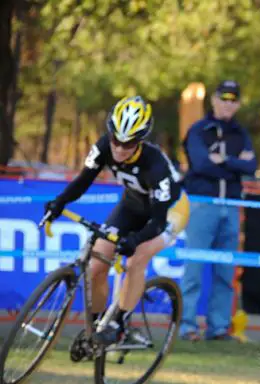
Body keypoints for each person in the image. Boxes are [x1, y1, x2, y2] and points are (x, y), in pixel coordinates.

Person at [43, 95, 187, 347]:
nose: (119, 149)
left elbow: (157, 221)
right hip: (132, 205)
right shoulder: (104, 147)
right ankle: (98, 328)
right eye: (115, 140)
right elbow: (83, 180)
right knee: (96, 266)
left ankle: (119, 324)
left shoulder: (155, 166)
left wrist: (136, 239)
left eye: (128, 144)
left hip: (169, 212)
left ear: (141, 141)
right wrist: (60, 202)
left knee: (135, 259)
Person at [180, 80, 257, 341]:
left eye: (233, 99)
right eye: (223, 98)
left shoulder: (240, 132)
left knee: (226, 271)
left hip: (232, 206)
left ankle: (219, 327)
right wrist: (235, 164)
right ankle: (187, 325)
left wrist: (223, 160)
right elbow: (200, 164)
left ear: (238, 103)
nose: (227, 103)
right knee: (194, 267)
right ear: (213, 100)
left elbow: (251, 167)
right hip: (203, 202)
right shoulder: (199, 129)